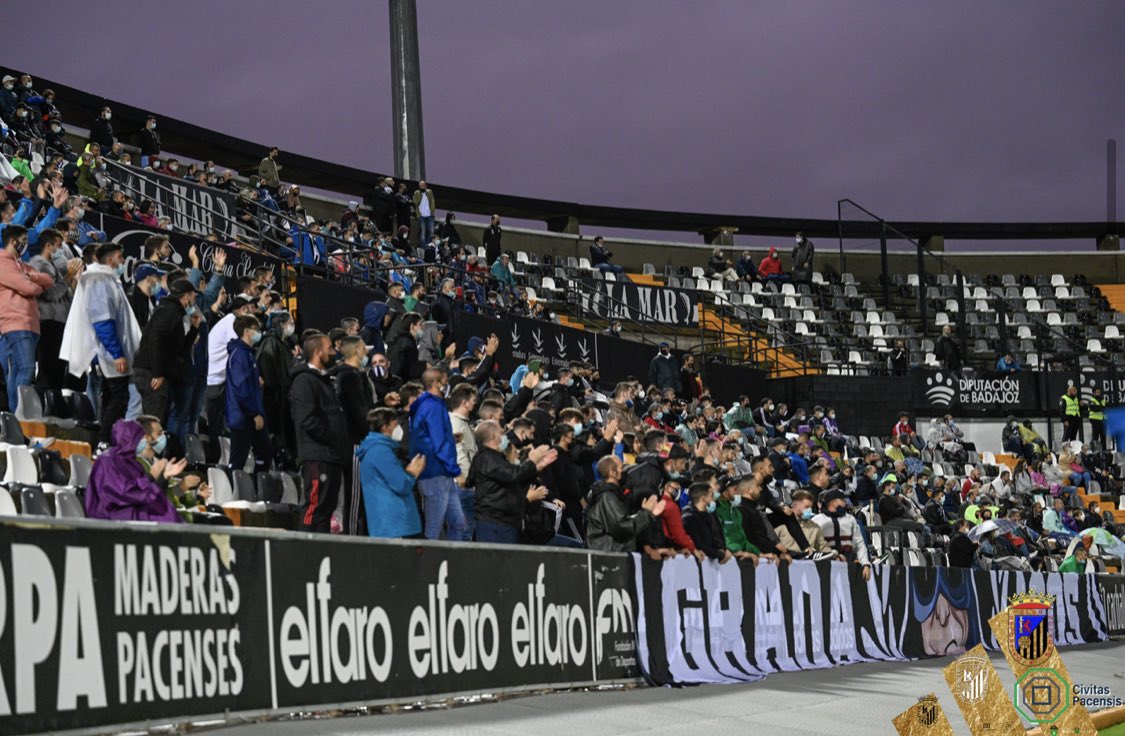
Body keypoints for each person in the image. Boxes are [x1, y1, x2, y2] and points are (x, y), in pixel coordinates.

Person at [61, 242, 141, 447]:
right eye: (119, 257)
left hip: (112, 352)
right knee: (117, 398)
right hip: (109, 353)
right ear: (109, 259)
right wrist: (117, 353)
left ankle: (107, 440)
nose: (122, 261)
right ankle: (106, 441)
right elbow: (102, 321)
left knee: (112, 396)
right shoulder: (99, 280)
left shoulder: (109, 280)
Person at [290, 333, 352, 532]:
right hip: (318, 456)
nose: (333, 352)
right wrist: (331, 438)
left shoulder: (323, 380)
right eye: (329, 349)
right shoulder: (303, 381)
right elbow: (306, 419)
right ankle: (305, 556)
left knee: (326, 509)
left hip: (331, 456)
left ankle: (320, 554)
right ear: (318, 352)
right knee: (314, 507)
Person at [468, 420, 558, 543]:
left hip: (503, 523)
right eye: (501, 432)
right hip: (495, 524)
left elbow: (513, 478)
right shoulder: (487, 459)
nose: (505, 435)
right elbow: (513, 475)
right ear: (494, 436)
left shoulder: (495, 458)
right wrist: (532, 461)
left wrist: (537, 467)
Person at [84, 419, 183, 523]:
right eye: (142, 437)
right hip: (110, 513)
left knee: (168, 512)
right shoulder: (107, 461)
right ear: (129, 439)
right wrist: (152, 476)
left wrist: (164, 477)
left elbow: (146, 492)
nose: (147, 441)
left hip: (128, 509)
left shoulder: (133, 462)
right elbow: (123, 493)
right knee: (164, 518)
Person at [131, 279, 201, 423]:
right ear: (186, 297)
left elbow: (179, 351)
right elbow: (155, 339)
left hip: (152, 371)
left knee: (153, 420)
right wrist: (158, 372)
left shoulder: (173, 311)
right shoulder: (169, 311)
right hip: (151, 373)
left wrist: (194, 329)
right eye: (193, 297)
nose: (194, 302)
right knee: (152, 423)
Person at [0, 225, 54, 412]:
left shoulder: (21, 264)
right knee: (26, 369)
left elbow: (48, 279)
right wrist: (34, 284)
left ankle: (16, 419)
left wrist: (29, 275)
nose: (25, 245)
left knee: (18, 371)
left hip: (30, 323)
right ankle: (19, 417)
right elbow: (30, 288)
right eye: (23, 241)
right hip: (15, 323)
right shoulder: (2, 262)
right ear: (13, 241)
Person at [409, 368, 465, 540]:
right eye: (445, 381)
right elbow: (438, 442)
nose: (447, 385)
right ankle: (429, 566)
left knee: (458, 523)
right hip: (435, 474)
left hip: (442, 473)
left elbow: (432, 436)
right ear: (436, 383)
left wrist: (450, 438)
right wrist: (456, 470)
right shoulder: (432, 406)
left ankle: (451, 562)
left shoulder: (430, 404)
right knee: (433, 528)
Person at [331, 335, 377, 534]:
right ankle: (351, 539)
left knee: (358, 496)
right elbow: (359, 412)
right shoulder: (348, 377)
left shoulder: (353, 375)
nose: (367, 353)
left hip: (357, 440)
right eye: (364, 350)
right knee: (354, 495)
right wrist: (371, 432)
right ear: (356, 352)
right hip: (355, 443)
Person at [358, 407, 426, 539]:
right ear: (385, 428)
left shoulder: (379, 450)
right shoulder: (380, 451)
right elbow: (401, 485)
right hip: (395, 527)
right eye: (395, 425)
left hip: (392, 526)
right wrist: (413, 472)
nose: (399, 429)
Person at [205, 295, 257, 460]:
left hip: (219, 379)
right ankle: (215, 462)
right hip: (214, 381)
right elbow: (240, 349)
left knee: (221, 425)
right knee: (216, 425)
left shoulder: (231, 321)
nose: (254, 311)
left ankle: (221, 460)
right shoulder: (231, 322)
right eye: (251, 308)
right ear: (243, 310)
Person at [31, 228, 83, 391]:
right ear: (48, 246)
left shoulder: (54, 267)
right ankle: (42, 409)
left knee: (58, 371)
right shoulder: (38, 263)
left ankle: (56, 409)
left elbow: (66, 294)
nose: (62, 250)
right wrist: (68, 277)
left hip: (60, 323)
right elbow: (50, 294)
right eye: (59, 246)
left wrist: (74, 279)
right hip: (48, 323)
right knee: (47, 370)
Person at [587, 455, 665, 552]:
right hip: (608, 557)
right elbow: (622, 528)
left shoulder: (610, 495)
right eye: (622, 468)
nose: (625, 471)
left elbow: (621, 522)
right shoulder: (607, 497)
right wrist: (645, 513)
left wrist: (647, 513)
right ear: (612, 473)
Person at [225, 314, 272, 475]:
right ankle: (232, 494)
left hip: (252, 414)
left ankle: (257, 488)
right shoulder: (239, 355)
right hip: (243, 417)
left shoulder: (248, 353)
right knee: (238, 461)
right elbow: (241, 389)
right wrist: (254, 414)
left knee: (265, 453)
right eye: (256, 329)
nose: (259, 332)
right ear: (246, 332)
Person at [811, 490, 871, 580]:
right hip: (824, 567)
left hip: (849, 566)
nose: (845, 502)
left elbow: (859, 544)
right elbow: (811, 546)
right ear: (834, 503)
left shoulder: (850, 519)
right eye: (842, 500)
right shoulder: (817, 521)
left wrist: (865, 563)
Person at [682, 482, 732, 562]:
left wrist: (724, 550)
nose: (714, 499)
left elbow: (717, 538)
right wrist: (720, 554)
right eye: (711, 496)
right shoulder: (689, 518)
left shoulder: (711, 516)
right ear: (703, 499)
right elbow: (699, 545)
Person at [413, 181, 436, 245]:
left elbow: (432, 201)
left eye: (422, 186)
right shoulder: (416, 193)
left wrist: (432, 212)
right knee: (423, 232)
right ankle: (423, 247)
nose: (421, 187)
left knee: (431, 231)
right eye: (420, 186)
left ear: (425, 186)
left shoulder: (429, 192)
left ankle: (428, 245)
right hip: (421, 215)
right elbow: (415, 202)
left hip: (429, 215)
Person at [1088, 386, 1107, 450]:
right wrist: (1101, 407)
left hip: (1102, 420)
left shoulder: (1103, 400)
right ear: (1093, 393)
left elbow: (1105, 408)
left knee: (1103, 436)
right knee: (1095, 437)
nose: (1098, 393)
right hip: (1095, 420)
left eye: (1099, 392)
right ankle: (1094, 451)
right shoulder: (1091, 400)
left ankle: (1104, 451)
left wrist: (1100, 407)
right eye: (1097, 392)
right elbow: (1095, 409)